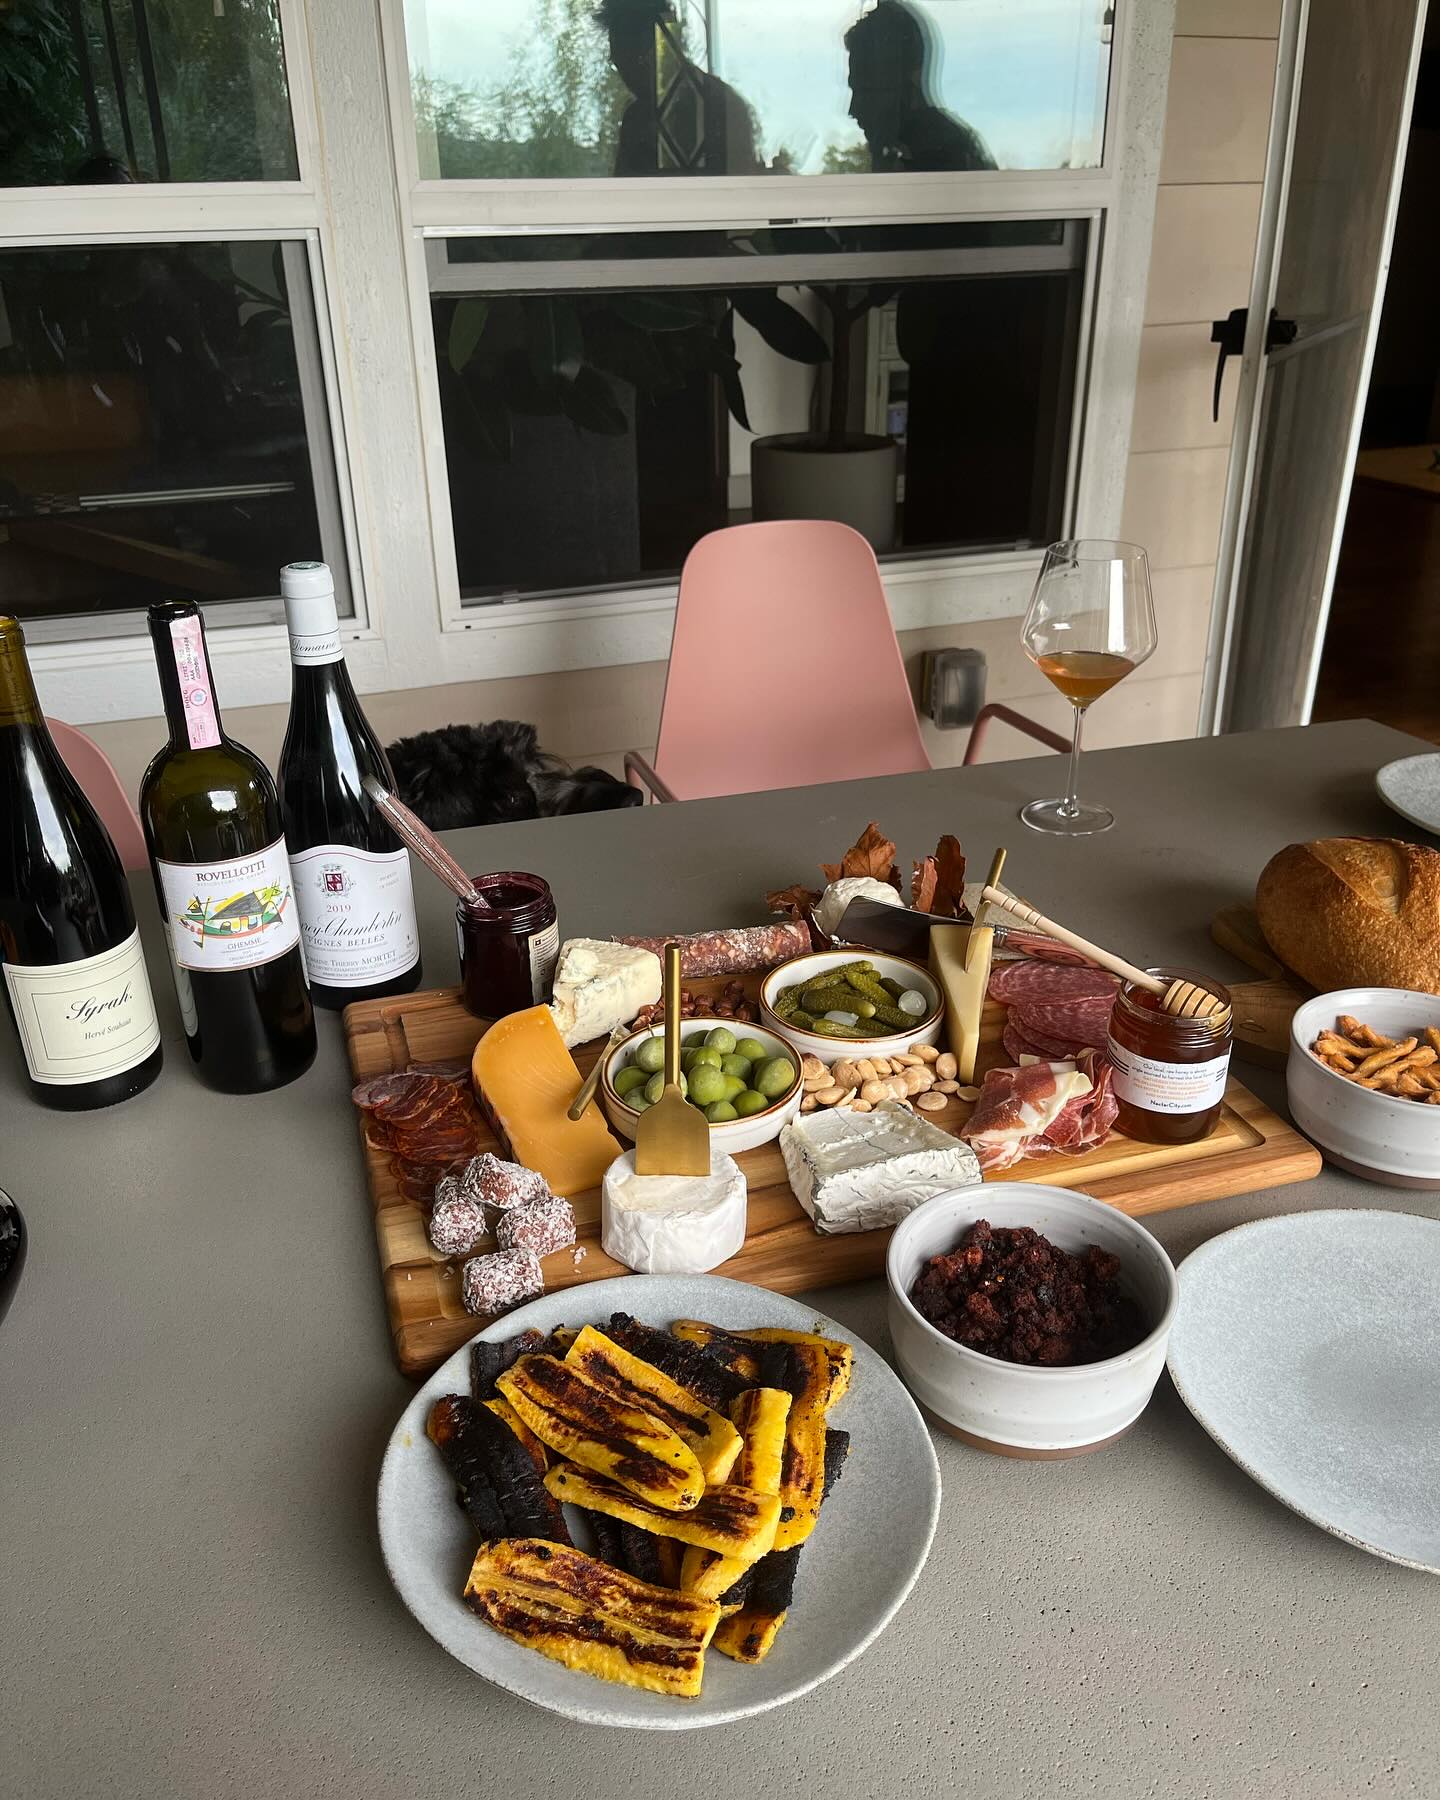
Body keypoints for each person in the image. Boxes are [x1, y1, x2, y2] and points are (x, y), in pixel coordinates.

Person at [597, 0, 761, 176]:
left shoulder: (723, 108)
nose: (624, 76)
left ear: (652, 49)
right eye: (617, 63)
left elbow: (740, 191)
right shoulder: (636, 119)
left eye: (624, 62)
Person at [843, 1, 994, 174]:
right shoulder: (897, 156)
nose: (854, 109)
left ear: (912, 75)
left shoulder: (947, 159)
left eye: (867, 92)